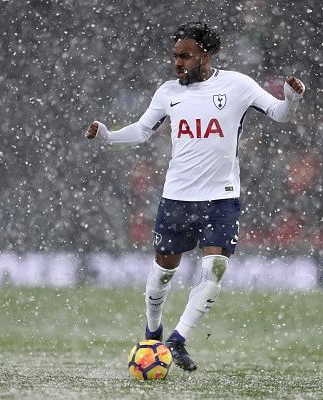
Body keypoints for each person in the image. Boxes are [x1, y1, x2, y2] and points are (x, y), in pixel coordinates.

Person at [86, 21, 305, 371]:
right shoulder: (168, 92)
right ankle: (153, 334)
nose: (177, 63)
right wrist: (109, 136)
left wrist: (292, 98)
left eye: (184, 56)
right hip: (177, 197)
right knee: (163, 272)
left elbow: (279, 114)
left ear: (206, 54)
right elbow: (143, 131)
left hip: (221, 197)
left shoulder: (237, 85)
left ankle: (176, 341)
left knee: (214, 267)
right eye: (174, 56)